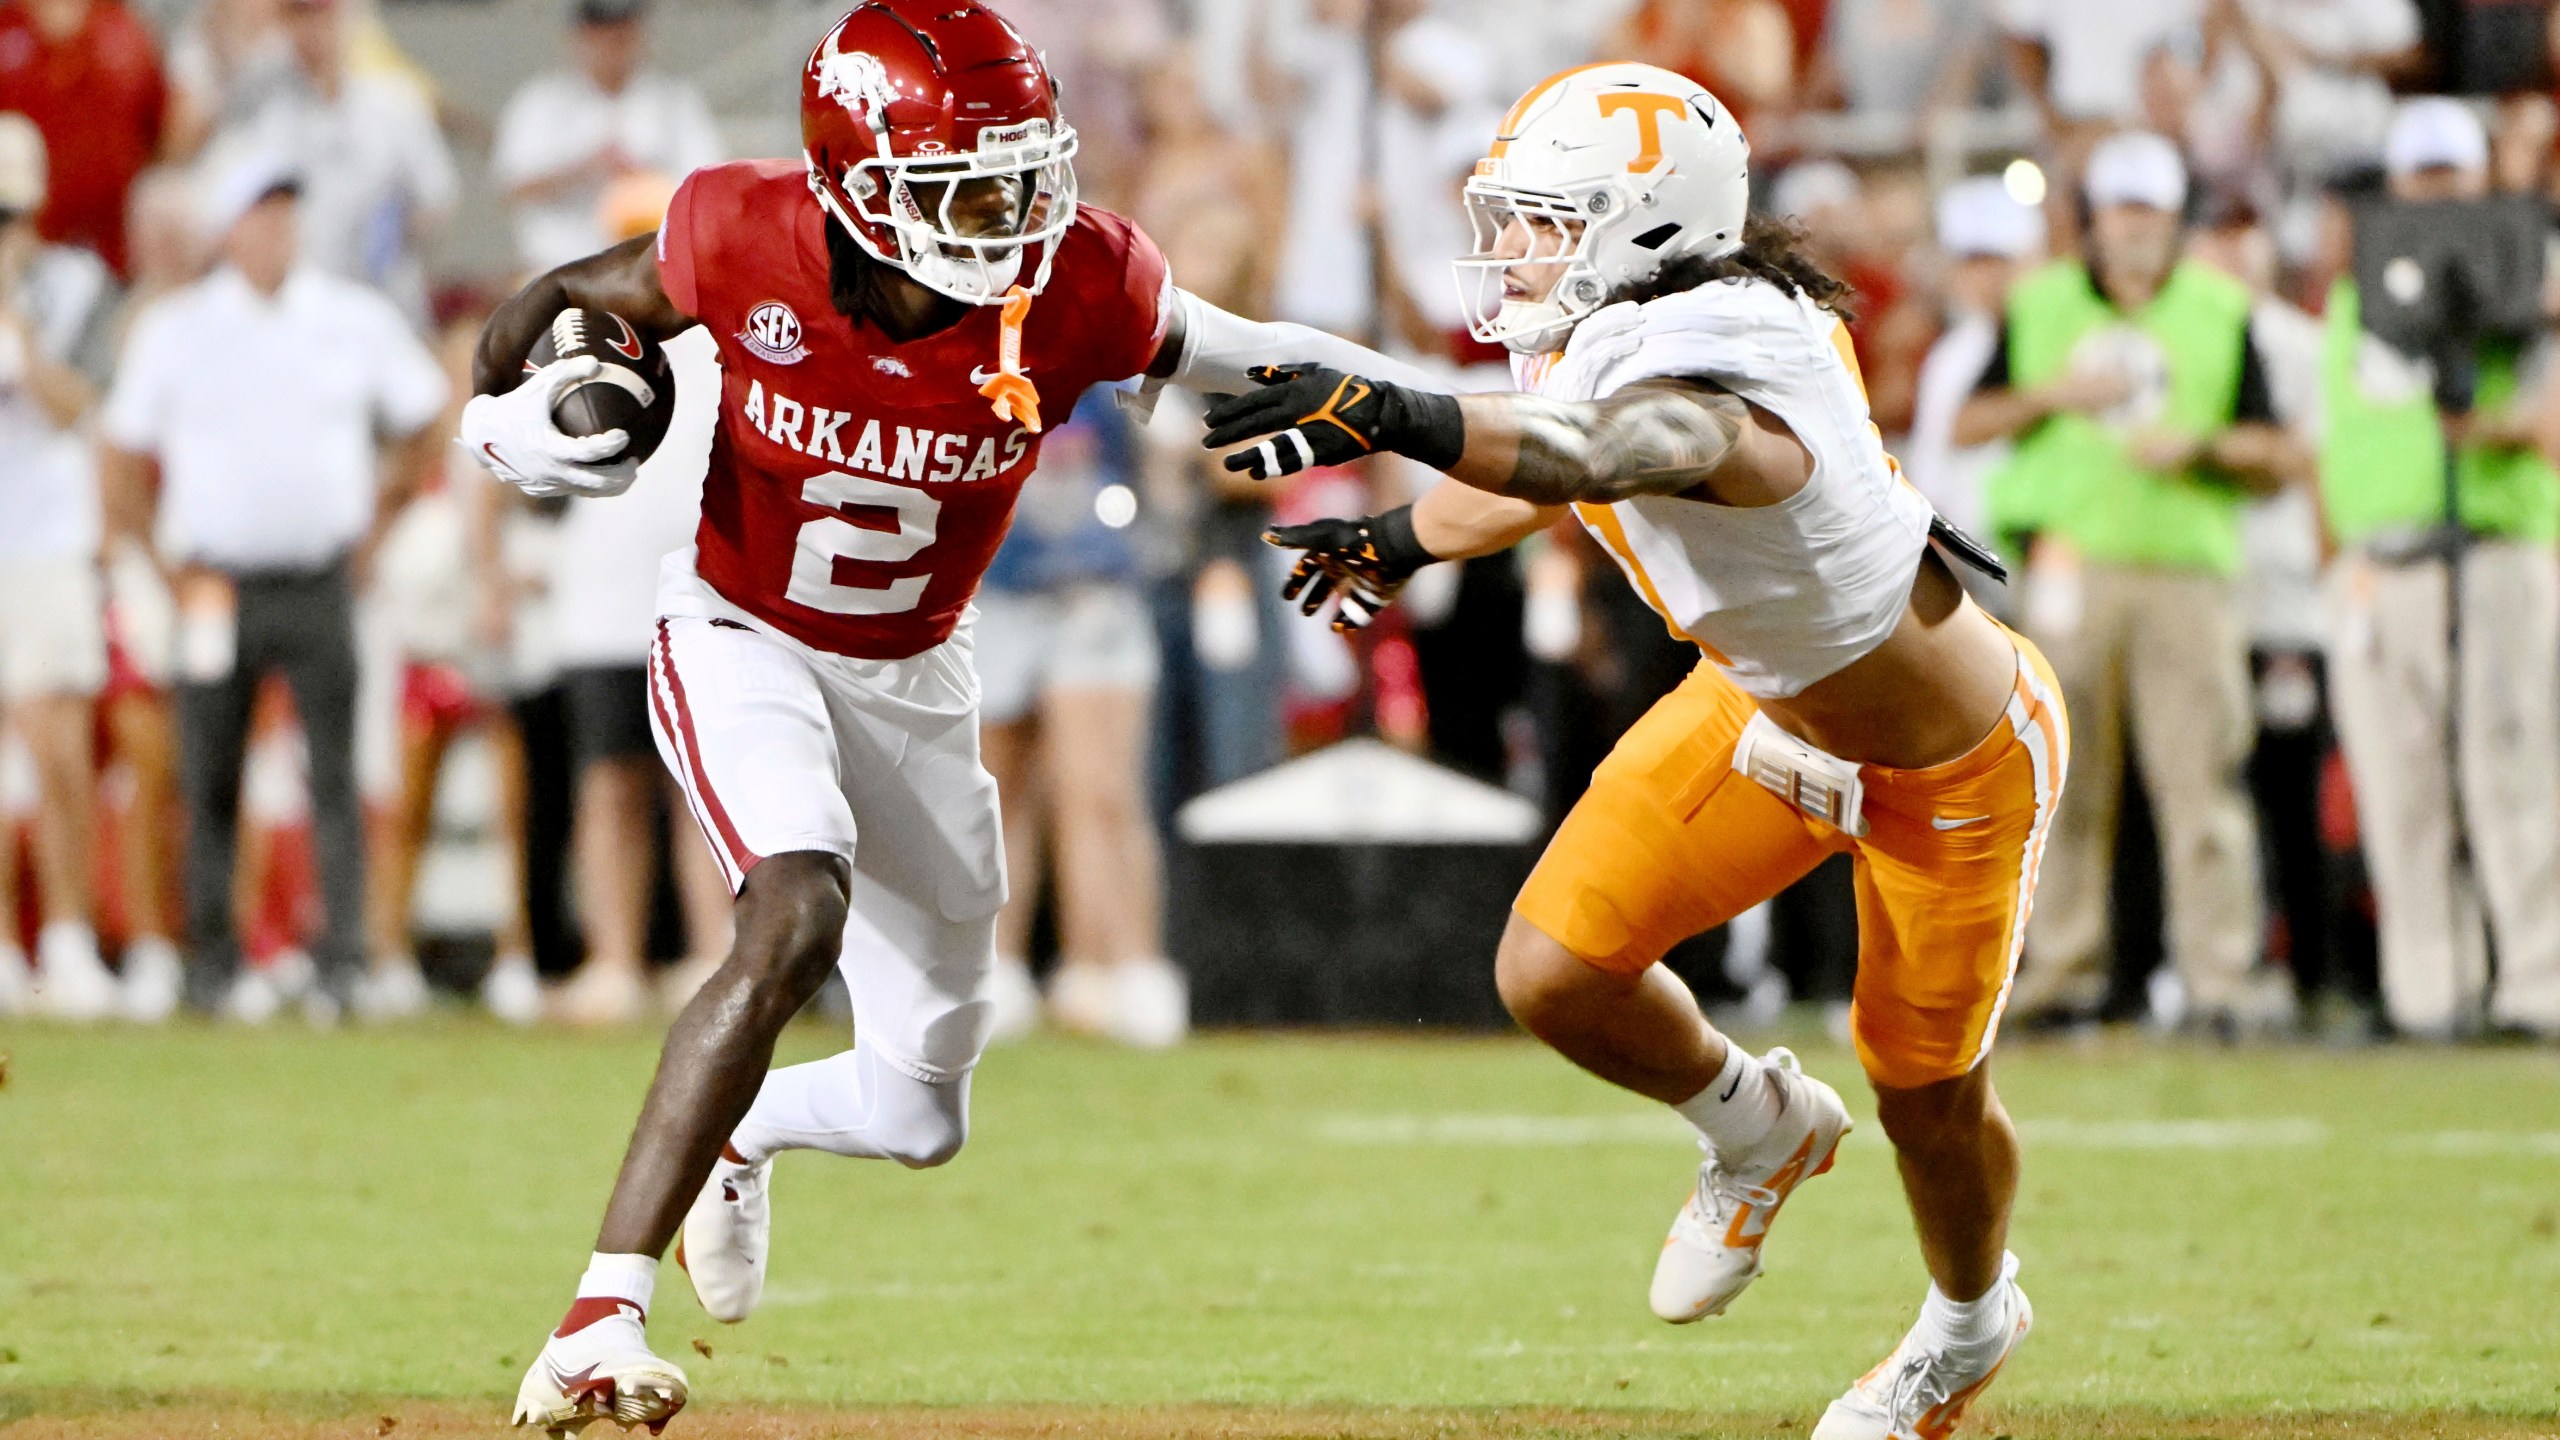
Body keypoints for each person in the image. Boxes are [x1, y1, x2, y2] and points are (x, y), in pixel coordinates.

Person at [460, 4, 1454, 1429]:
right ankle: (597, 1314)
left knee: (922, 1115)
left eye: (1019, 174)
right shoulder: (744, 231)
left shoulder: (1082, 280)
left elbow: (1251, 351)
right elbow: (559, 305)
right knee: (793, 910)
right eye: (964, 185)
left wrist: (1444, 420)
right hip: (745, 633)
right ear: (851, 182)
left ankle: (742, 1125)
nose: (1009, 214)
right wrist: (542, 401)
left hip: (924, 680)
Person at [1210, 62, 2063, 1440]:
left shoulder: (1734, 367)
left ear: (1644, 227)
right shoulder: (1636, 316)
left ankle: (1969, 1324)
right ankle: (1758, 1125)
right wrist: (1399, 537)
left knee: (1928, 1101)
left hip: (1950, 767)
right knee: (1551, 971)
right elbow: (1547, 455)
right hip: (1759, 707)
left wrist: (1383, 415)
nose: (1514, 251)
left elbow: (1596, 450)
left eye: (1546, 220)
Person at [1955, 131, 2306, 1034]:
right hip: (2070, 565)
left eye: (2150, 209)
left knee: (2201, 782)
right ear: (2095, 219)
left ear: (2174, 219)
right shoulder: (2038, 306)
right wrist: (2053, 397)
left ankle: (2218, 977)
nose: (2135, 227)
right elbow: (1968, 420)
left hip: (2185, 569)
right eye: (2121, 208)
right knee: (2065, 783)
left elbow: (2277, 455)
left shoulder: (2220, 311)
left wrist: (2205, 446)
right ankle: (2065, 969)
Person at [97, 151, 446, 1022]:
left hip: (322, 574)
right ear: (227, 229)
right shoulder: (178, 328)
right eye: (260, 214)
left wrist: (383, 520)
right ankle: (210, 959)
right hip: (213, 579)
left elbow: (428, 411)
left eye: (287, 213)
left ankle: (343, 965)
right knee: (207, 775)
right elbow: (120, 448)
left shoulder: (347, 318)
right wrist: (157, 557)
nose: (276, 230)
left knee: (335, 775)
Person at [2319, 99, 2560, 1040]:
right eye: (2418, 177)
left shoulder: (2530, 280)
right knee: (2400, 790)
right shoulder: (2356, 293)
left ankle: (2537, 987)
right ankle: (2431, 996)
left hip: (2494, 553)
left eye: (2450, 175)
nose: (2434, 194)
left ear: (2481, 181)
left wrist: (2489, 422)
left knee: (2513, 776)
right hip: (2381, 566)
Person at [976, 389, 1184, 1047]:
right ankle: (992, 969)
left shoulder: (1111, 352)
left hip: (1096, 588)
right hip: (992, 584)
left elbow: (1175, 441)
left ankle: (1124, 966)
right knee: (995, 789)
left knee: (1101, 789)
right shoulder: (972, 346)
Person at [0, 111, 123, 1020]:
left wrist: (14, 320)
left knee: (58, 746)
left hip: (45, 541)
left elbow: (75, 404)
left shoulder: (76, 283)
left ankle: (72, 938)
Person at [215, 0, 455, 321]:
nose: (314, 31)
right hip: (299, 307)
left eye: (323, 15)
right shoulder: (266, 112)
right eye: (300, 16)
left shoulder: (395, 102)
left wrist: (396, 225)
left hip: (385, 302)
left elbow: (439, 198)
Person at [489, 0, 722, 278]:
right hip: (559, 273)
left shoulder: (674, 104)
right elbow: (512, 187)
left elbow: (712, 192)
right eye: (601, 30)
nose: (612, 42)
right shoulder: (542, 102)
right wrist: (583, 169)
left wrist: (643, 180)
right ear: (578, 36)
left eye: (623, 30)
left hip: (652, 275)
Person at [0, 0, 168, 278]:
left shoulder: (124, 31)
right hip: (22, 246)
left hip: (112, 252)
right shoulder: (8, 31)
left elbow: (158, 130)